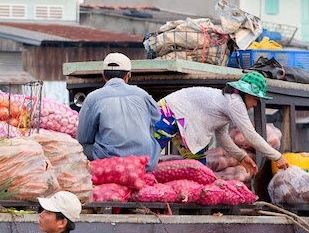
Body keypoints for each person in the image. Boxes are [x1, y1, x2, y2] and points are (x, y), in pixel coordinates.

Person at [152, 71, 290, 175]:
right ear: (247, 95)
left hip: (185, 122)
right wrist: (276, 156)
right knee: (149, 156)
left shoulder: (226, 103)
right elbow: (250, 134)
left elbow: (223, 138)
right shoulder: (235, 103)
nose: (255, 104)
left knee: (199, 169)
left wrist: (242, 157)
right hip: (168, 113)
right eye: (255, 99)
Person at [76, 53, 161, 171]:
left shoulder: (93, 98)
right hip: (146, 161)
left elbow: (83, 138)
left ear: (103, 76)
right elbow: (156, 118)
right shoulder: (142, 94)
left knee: (82, 147)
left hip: (110, 161)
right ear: (128, 75)